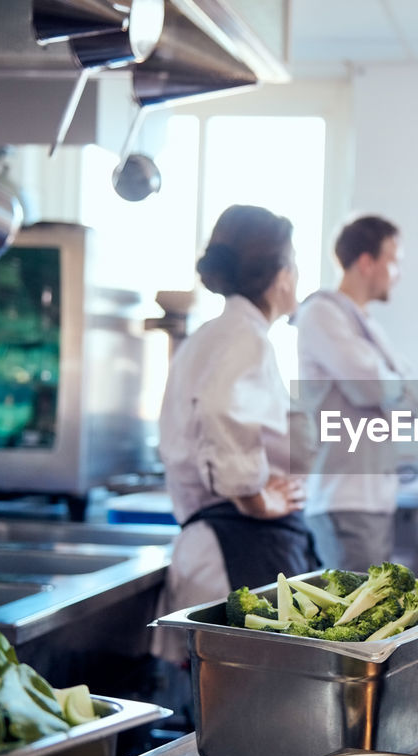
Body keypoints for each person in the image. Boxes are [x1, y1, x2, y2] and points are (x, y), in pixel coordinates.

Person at [152, 204, 314, 665]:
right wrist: (255, 497)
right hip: (238, 545)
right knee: (252, 715)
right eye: (296, 261)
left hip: (229, 546)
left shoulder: (216, 333)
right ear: (281, 274)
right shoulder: (246, 337)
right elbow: (223, 410)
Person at [294, 215, 410, 572]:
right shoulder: (321, 313)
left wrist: (394, 384)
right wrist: (395, 383)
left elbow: (408, 398)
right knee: (359, 619)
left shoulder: (365, 323)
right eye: (394, 261)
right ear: (366, 261)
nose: (398, 272)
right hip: (344, 498)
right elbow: (372, 385)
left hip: (371, 498)